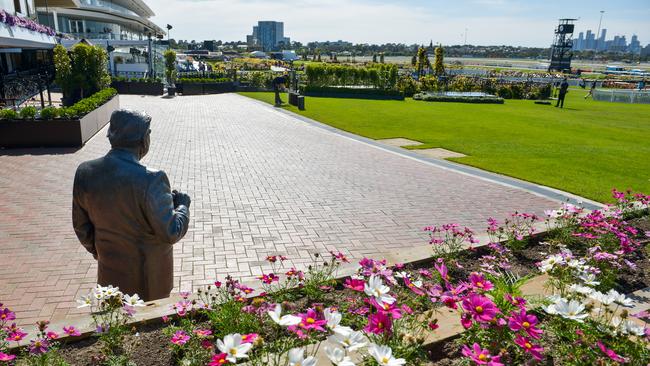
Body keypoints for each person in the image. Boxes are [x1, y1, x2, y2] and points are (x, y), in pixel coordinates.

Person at [72, 110, 191, 301]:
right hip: (149, 280)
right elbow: (171, 231)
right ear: (144, 139)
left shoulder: (85, 172)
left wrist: (103, 253)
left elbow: (81, 227)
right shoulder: (152, 179)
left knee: (117, 322)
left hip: (109, 275)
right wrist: (183, 206)